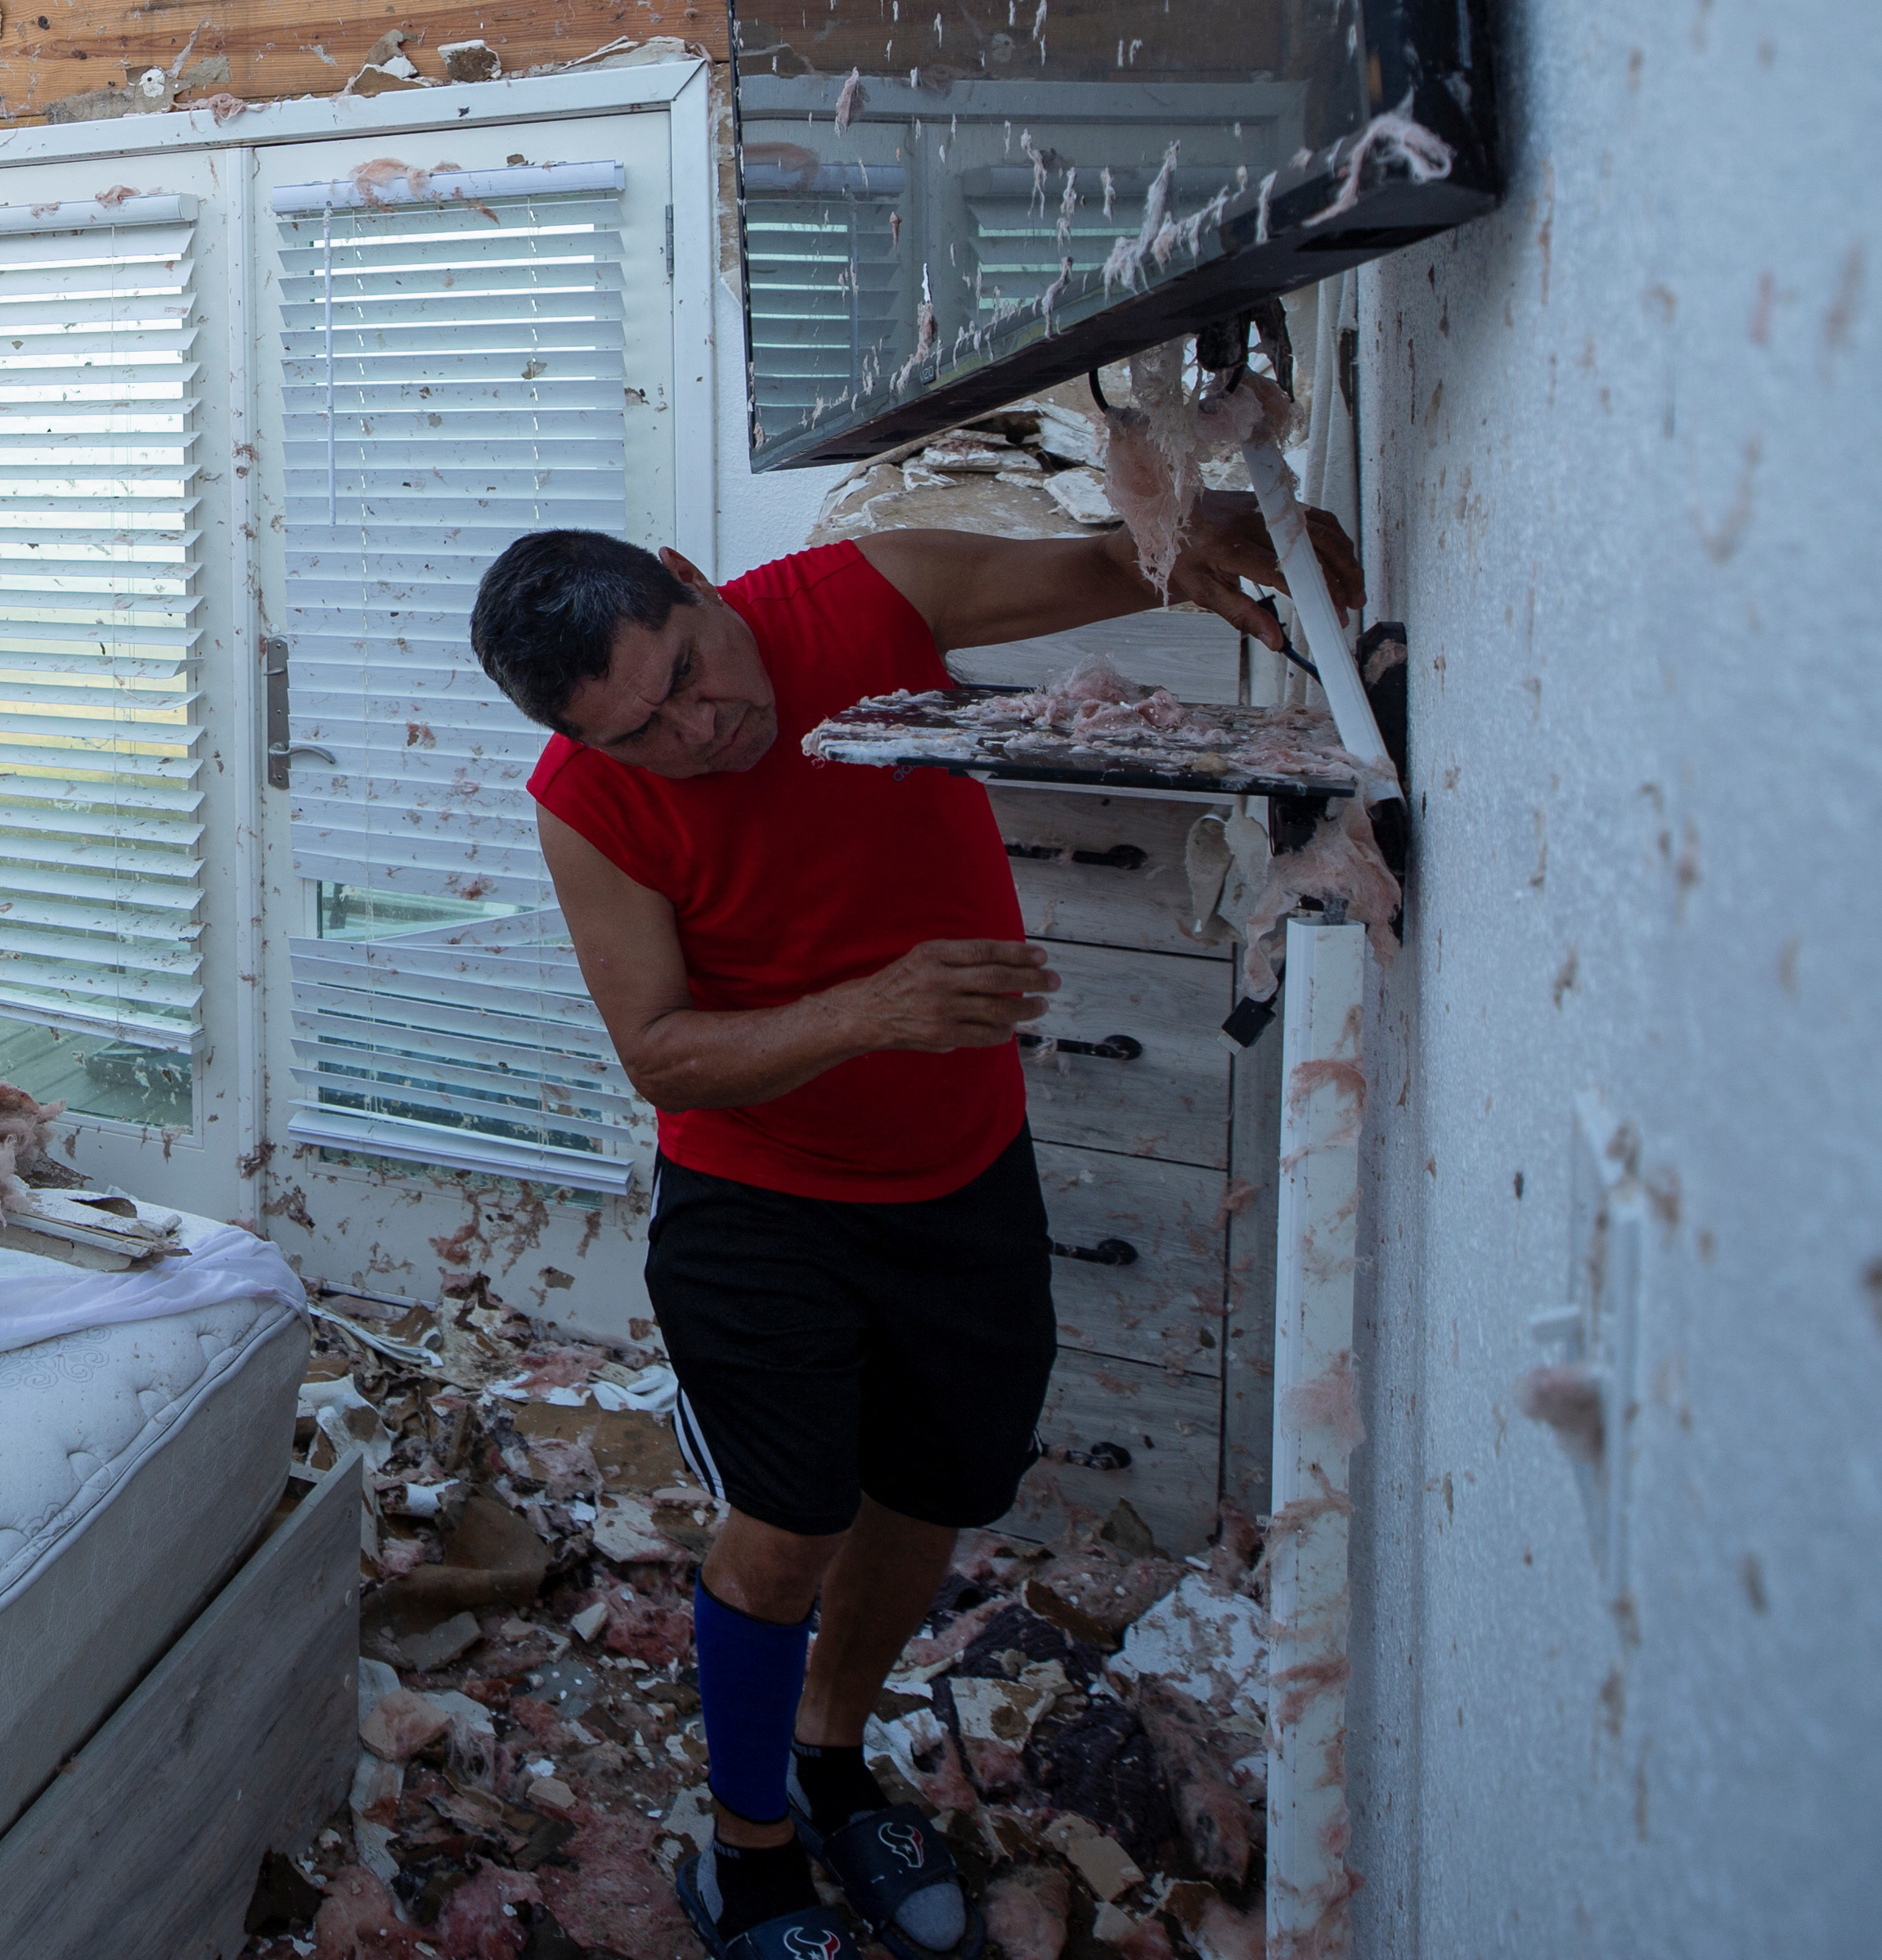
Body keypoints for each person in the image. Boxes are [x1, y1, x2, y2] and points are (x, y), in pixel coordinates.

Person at [468, 494, 1357, 1960]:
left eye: (688, 671)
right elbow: (660, 1053)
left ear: (696, 584)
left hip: (960, 1170)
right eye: (642, 729)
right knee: (790, 1517)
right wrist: (877, 1010)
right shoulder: (587, 804)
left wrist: (1218, 552)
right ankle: (748, 1859)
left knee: (934, 1485)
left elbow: (1107, 562)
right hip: (758, 1195)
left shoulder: (859, 598)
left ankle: (829, 1762)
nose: (695, 730)